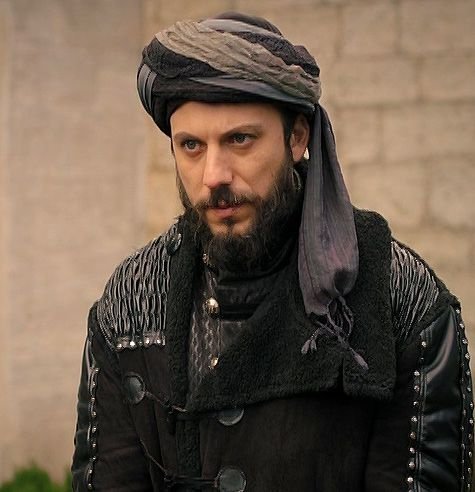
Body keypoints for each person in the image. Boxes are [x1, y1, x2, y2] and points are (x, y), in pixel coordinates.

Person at [71, 11, 473, 492]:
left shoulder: (400, 299)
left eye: (239, 139)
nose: (214, 175)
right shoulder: (129, 304)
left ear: (297, 137)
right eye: (191, 145)